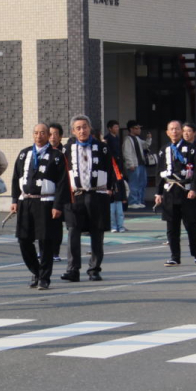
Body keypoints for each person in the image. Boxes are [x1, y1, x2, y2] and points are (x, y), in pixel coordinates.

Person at [11, 123, 69, 289]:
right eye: (36, 133)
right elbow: (16, 178)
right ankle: (36, 270)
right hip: (26, 201)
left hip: (46, 202)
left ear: (48, 135)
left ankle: (44, 277)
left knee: (45, 241)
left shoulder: (56, 156)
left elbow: (62, 182)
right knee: (23, 239)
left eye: (43, 133)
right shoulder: (24, 154)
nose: (39, 136)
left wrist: (57, 205)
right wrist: (15, 200)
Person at [62, 114, 119, 281]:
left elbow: (111, 169)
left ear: (90, 128)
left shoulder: (102, 147)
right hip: (75, 195)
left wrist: (111, 189)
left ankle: (94, 269)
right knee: (73, 232)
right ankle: (73, 269)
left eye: (84, 127)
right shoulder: (66, 150)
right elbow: (62, 174)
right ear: (73, 131)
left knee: (97, 232)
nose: (82, 131)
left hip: (97, 194)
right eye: (78, 128)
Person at [154, 120, 196, 266]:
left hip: (186, 190)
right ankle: (174, 256)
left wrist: (194, 189)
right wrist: (158, 193)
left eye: (177, 129)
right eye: (171, 129)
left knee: (191, 225)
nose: (175, 132)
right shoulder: (163, 149)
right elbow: (159, 172)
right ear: (167, 132)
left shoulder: (192, 149)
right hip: (170, 191)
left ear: (181, 131)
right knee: (172, 227)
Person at [47, 122, 67, 261]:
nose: (52, 137)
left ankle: (55, 252)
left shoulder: (65, 152)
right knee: (44, 224)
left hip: (61, 193)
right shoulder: (42, 152)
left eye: (56, 134)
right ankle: (45, 251)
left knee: (57, 223)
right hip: (45, 194)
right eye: (50, 134)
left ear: (61, 137)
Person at [122, 120, 149, 208]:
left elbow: (145, 145)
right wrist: (130, 164)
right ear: (131, 129)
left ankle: (139, 200)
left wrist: (149, 138)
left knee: (142, 183)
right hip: (134, 165)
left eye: (139, 128)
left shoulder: (137, 139)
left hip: (140, 164)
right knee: (134, 183)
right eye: (136, 128)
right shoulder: (128, 139)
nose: (139, 130)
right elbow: (127, 153)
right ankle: (132, 201)